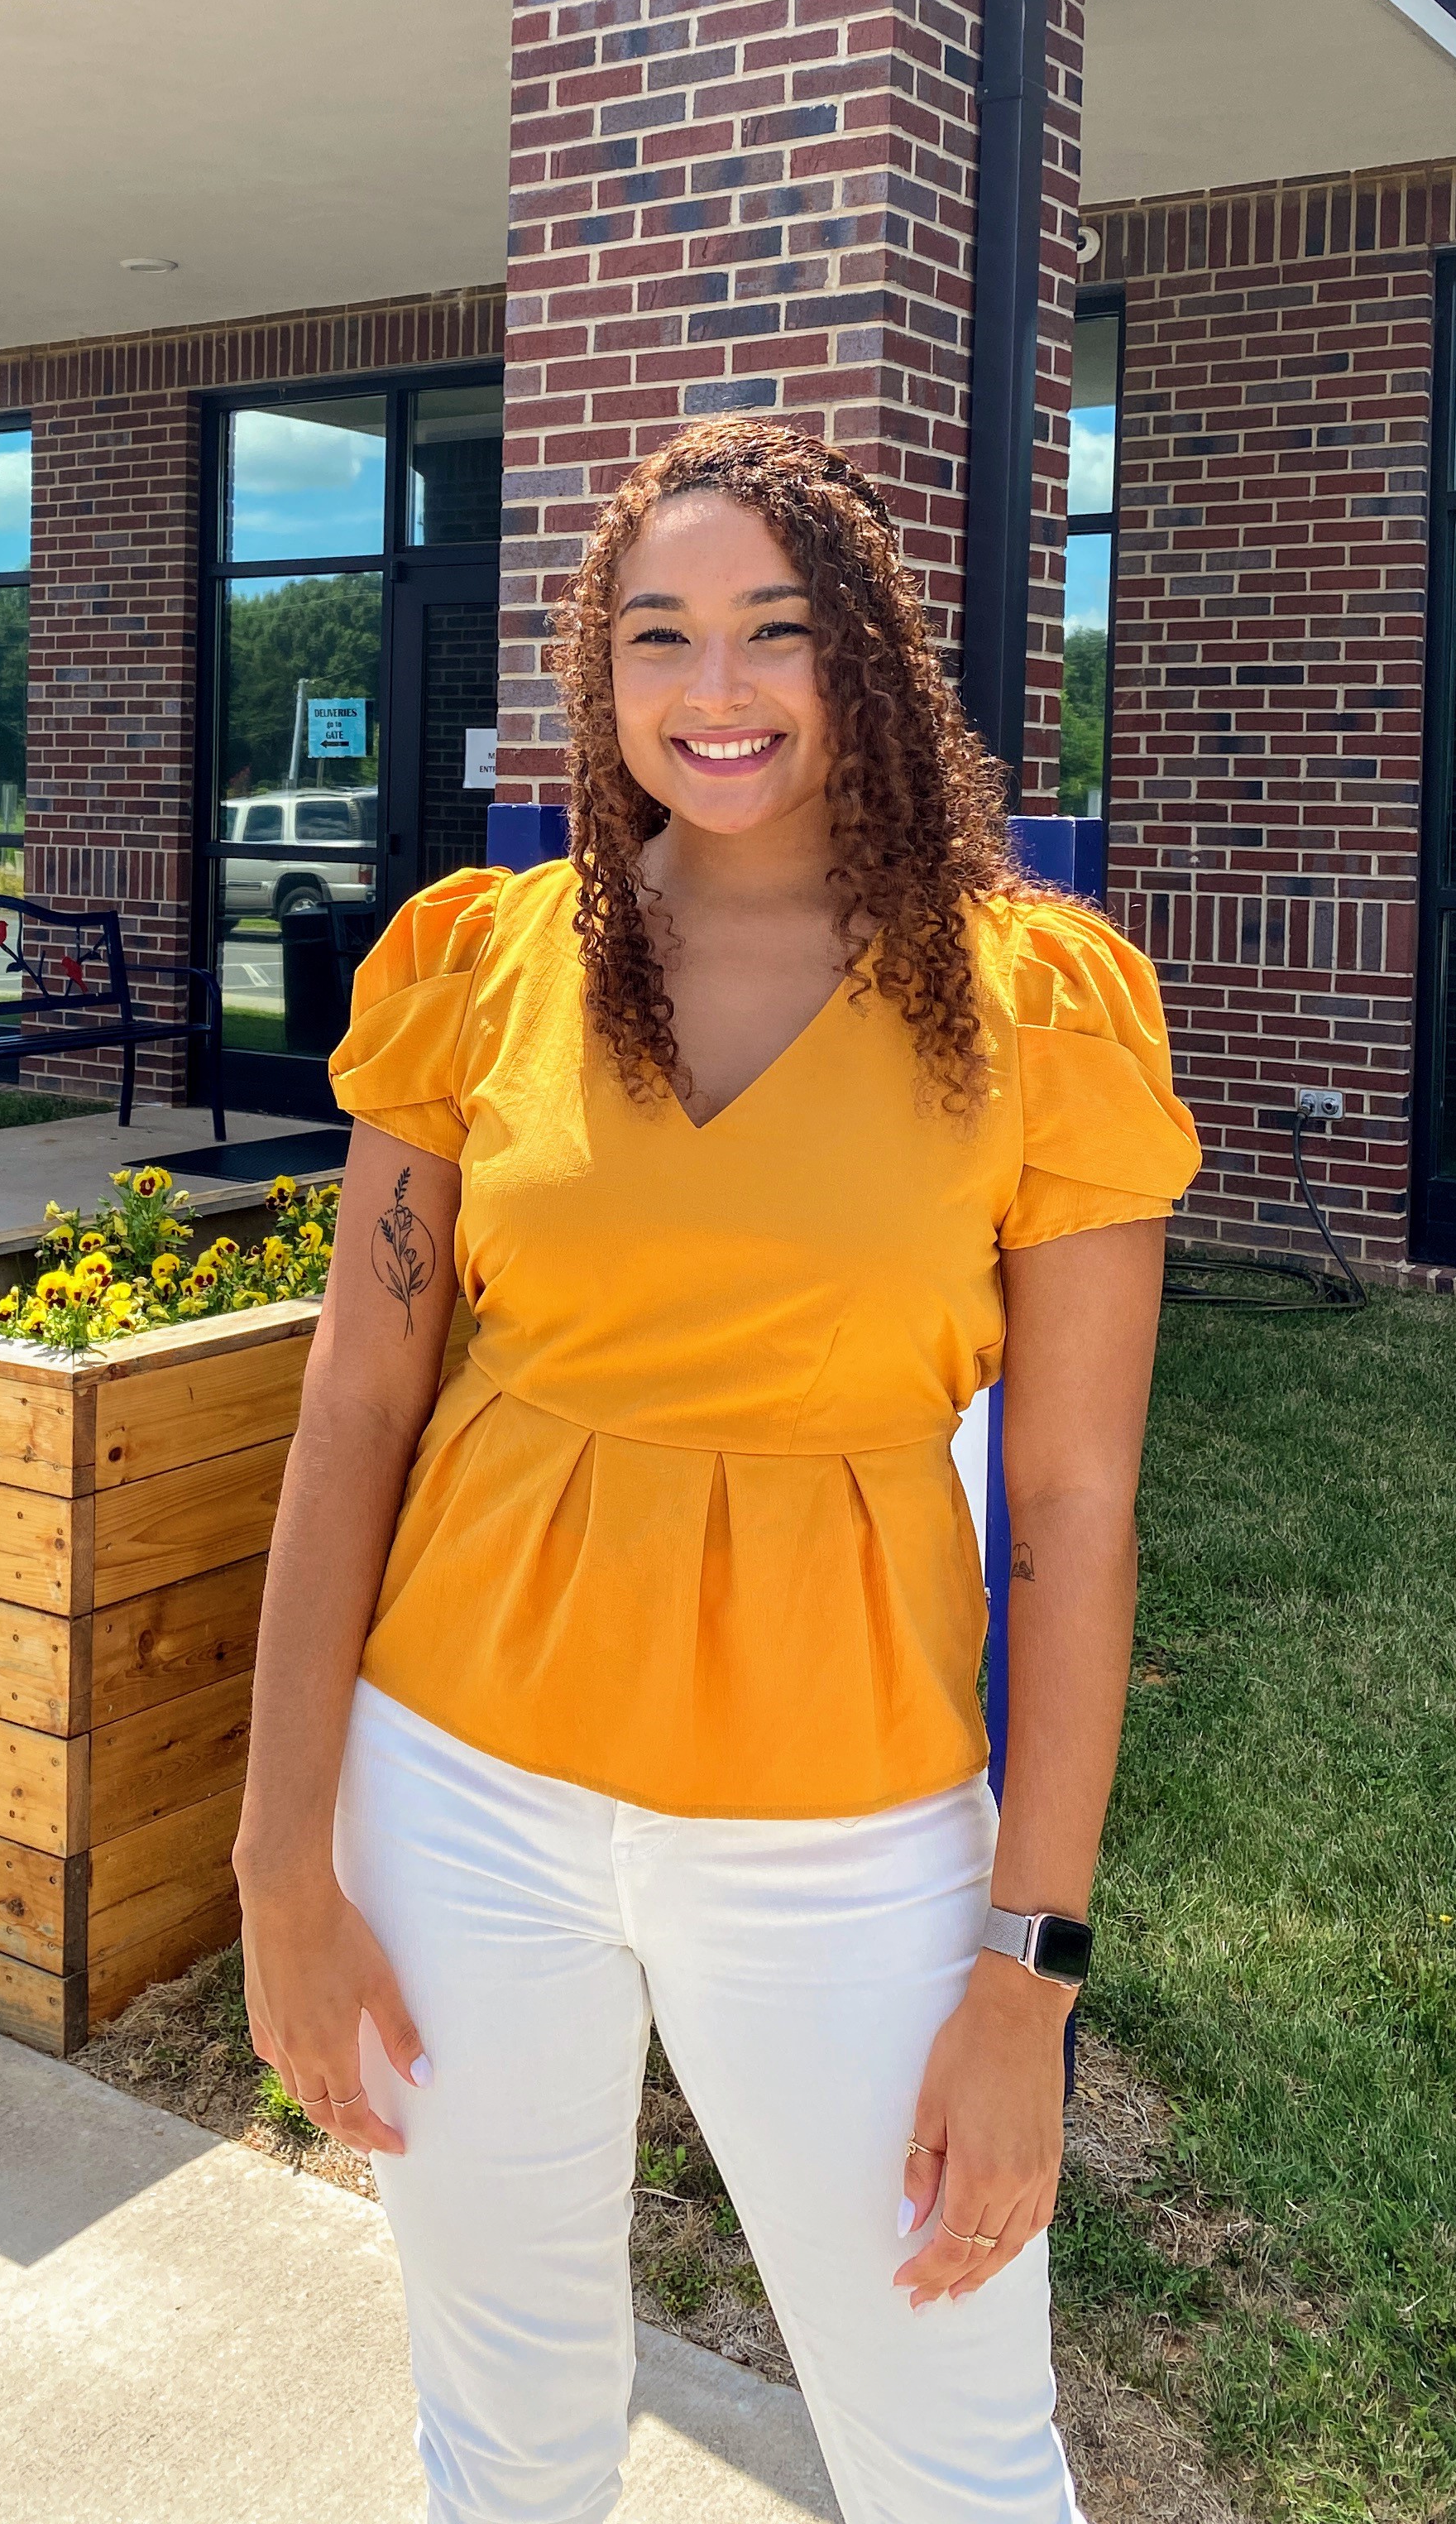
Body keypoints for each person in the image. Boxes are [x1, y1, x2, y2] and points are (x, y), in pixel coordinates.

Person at [232, 415, 1200, 2524]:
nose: (717, 691)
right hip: (457, 1787)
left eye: (776, 632)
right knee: (503, 2424)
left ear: (864, 663)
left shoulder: (1042, 1005)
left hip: (847, 1834)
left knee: (954, 2441)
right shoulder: (481, 966)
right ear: (600, 676)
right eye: (657, 635)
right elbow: (352, 1414)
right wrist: (281, 1867)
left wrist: (1028, 1980)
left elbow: (1075, 1515)